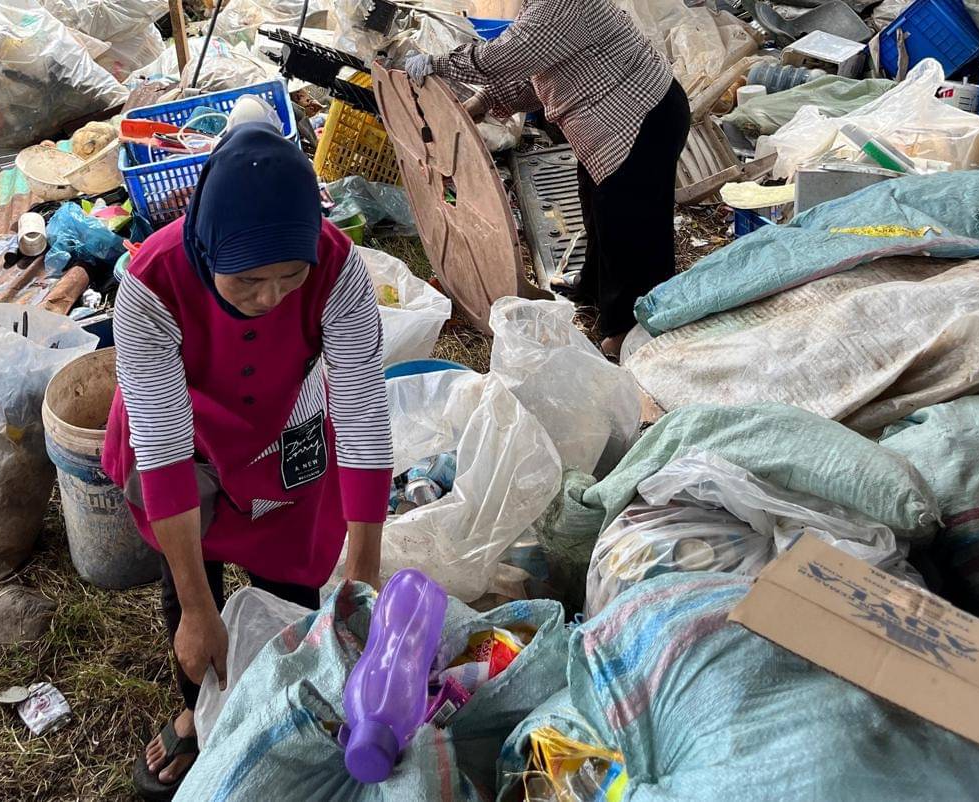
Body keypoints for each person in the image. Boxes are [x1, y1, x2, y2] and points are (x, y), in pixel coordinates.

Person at [101, 122, 393, 800]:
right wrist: (203, 609)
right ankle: (197, 714)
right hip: (186, 434)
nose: (271, 298)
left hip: (280, 421)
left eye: (290, 277)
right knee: (190, 590)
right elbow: (166, 452)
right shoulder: (151, 284)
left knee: (291, 574)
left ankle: (285, 710)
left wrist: (364, 575)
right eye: (249, 282)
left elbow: (361, 415)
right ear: (208, 249)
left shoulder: (340, 271)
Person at [406, 0, 690, 358]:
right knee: (597, 205)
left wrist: (439, 65)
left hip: (642, 117)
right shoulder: (540, 7)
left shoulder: (561, 5)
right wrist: (483, 102)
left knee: (630, 225)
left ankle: (627, 329)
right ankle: (593, 288)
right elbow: (535, 72)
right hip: (614, 122)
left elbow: (505, 59)